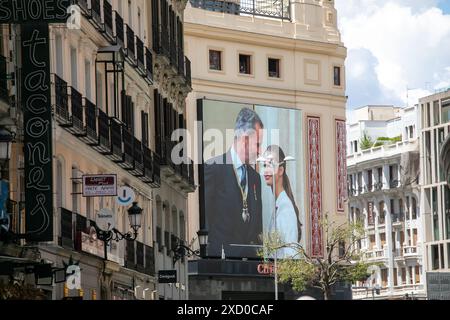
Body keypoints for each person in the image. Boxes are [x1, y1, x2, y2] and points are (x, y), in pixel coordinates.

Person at [204, 108, 264, 258]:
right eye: (257, 144)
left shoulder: (256, 178)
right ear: (244, 140)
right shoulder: (214, 168)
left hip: (249, 264)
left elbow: (257, 226)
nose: (259, 151)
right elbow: (206, 218)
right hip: (220, 262)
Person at [262, 145, 302, 258]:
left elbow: (291, 253)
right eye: (265, 165)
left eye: (271, 165)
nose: (266, 170)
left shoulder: (285, 209)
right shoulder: (279, 205)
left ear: (280, 170)